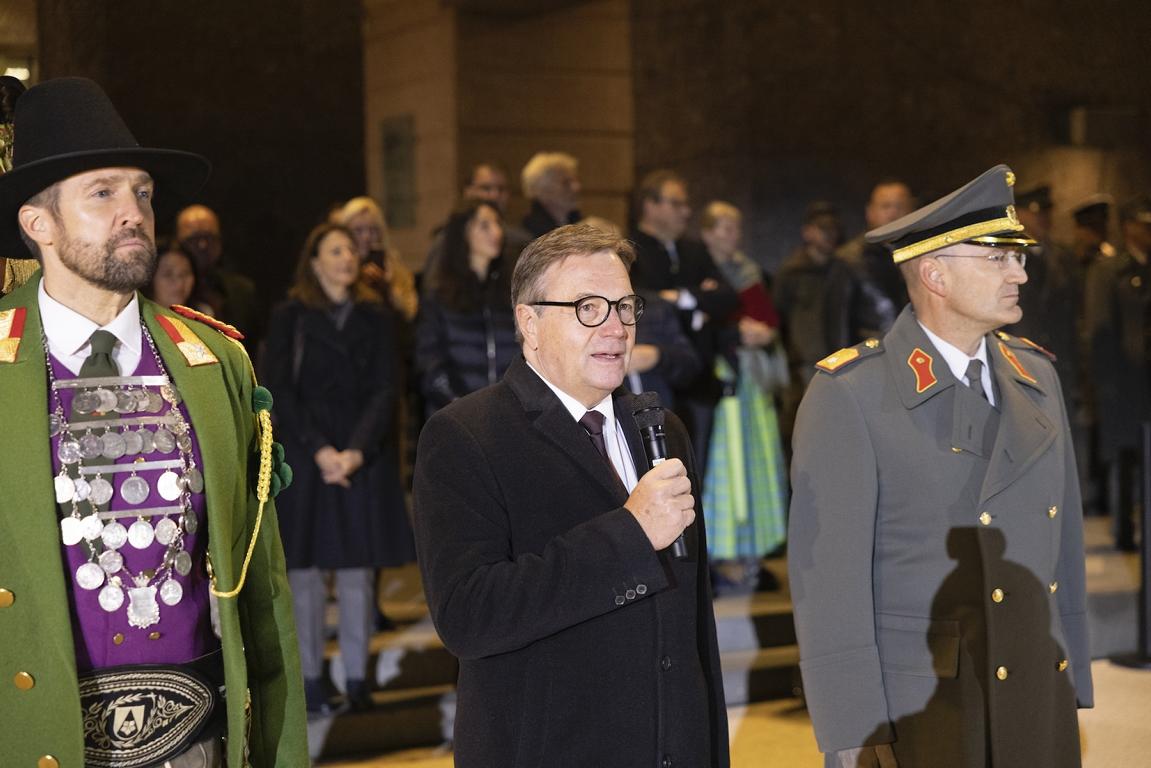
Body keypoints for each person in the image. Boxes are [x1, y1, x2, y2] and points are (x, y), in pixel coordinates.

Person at [0, 77, 305, 766]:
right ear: (37, 224)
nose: (133, 211)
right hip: (37, 738)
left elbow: (263, 585)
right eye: (102, 193)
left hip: (200, 737)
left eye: (141, 192)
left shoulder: (217, 358)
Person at [789, 165, 1093, 768]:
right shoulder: (851, 392)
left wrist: (1073, 668)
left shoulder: (1037, 377)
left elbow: (1066, 541)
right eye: (997, 258)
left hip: (1034, 680)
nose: (1020, 273)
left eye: (1019, 257)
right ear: (934, 274)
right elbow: (828, 581)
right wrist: (851, 728)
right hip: (924, 701)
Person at [412, 222, 729, 767]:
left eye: (626, 306)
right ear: (528, 323)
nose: (616, 327)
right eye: (588, 307)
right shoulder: (466, 435)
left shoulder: (661, 429)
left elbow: (693, 629)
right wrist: (629, 534)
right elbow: (468, 616)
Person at [263, 222, 414, 714]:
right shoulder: (292, 316)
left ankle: (356, 677)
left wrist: (355, 450)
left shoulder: (376, 316)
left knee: (357, 573)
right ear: (314, 261)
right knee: (305, 574)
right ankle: (310, 677)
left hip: (360, 455)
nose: (347, 258)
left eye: (350, 249)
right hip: (309, 459)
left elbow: (386, 387)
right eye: (335, 250)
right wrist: (321, 450)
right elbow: (279, 389)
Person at [699, 201, 788, 592]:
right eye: (724, 227)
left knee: (755, 466)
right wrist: (738, 332)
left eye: (736, 227)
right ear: (706, 232)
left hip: (751, 381)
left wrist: (763, 333)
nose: (732, 235)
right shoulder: (697, 272)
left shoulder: (750, 271)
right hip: (717, 381)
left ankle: (752, 549)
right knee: (724, 468)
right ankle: (721, 553)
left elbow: (770, 322)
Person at [629, 169, 739, 468]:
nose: (686, 211)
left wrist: (680, 298)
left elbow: (728, 298)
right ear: (650, 205)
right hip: (653, 384)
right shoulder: (630, 248)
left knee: (698, 471)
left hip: (700, 382)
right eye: (676, 204)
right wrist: (698, 298)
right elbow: (640, 300)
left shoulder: (694, 250)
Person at [1085, 195, 1151, 551]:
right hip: (1123, 384)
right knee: (1124, 460)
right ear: (1128, 228)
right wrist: (1105, 385)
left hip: (1146, 382)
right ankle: (1123, 532)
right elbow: (1099, 330)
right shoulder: (1109, 271)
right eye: (1142, 224)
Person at [415, 198, 519, 416]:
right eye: (485, 225)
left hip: (507, 415)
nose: (496, 232)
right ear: (463, 233)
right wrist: (461, 405)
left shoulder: (511, 293)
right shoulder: (439, 296)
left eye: (498, 224)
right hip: (456, 416)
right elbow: (430, 364)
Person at [174, 204, 261, 353]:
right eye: (194, 239)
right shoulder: (165, 289)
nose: (203, 245)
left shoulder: (241, 291)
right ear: (178, 243)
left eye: (209, 237)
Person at [337, 195, 418, 323]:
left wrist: (388, 288)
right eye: (358, 230)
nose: (366, 237)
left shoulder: (395, 268)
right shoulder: (337, 271)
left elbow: (410, 315)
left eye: (373, 230)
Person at [520, 151, 582, 237]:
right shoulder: (528, 233)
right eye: (565, 183)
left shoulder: (578, 222)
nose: (576, 187)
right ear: (542, 190)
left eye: (576, 180)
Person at [147, 243, 212, 314]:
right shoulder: (138, 318)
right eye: (168, 274)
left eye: (185, 273)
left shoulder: (203, 315)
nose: (179, 283)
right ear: (151, 279)